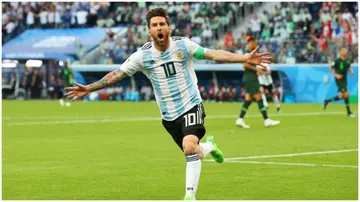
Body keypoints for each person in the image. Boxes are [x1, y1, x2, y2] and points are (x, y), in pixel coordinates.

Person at [65, 8, 272, 200]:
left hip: (191, 104)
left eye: (162, 24)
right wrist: (89, 88)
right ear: (149, 31)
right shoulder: (142, 56)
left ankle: (189, 196)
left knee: (189, 147)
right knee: (195, 152)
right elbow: (117, 74)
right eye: (154, 25)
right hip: (169, 116)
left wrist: (244, 57)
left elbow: (213, 54)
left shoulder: (184, 45)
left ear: (169, 27)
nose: (159, 28)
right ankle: (210, 146)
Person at [235, 36, 280, 129]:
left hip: (250, 78)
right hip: (251, 78)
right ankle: (267, 120)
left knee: (248, 100)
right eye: (255, 43)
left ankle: (240, 119)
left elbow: (250, 64)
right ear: (250, 43)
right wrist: (256, 69)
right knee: (259, 97)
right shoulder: (247, 52)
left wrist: (261, 68)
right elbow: (245, 64)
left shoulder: (251, 53)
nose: (256, 45)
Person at [323, 48, 355, 117]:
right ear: (340, 52)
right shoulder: (336, 61)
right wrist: (336, 75)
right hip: (339, 80)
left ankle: (327, 101)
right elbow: (330, 69)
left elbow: (348, 67)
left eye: (346, 51)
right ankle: (349, 112)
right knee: (346, 94)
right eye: (343, 51)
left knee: (341, 96)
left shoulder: (347, 61)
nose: (345, 52)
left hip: (344, 79)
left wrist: (351, 71)